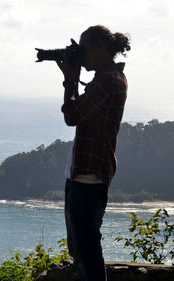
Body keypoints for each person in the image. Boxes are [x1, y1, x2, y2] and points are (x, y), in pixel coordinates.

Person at [56, 25, 130, 281]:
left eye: (84, 49)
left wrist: (70, 78)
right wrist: (74, 76)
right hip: (83, 176)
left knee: (87, 257)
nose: (81, 54)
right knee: (81, 252)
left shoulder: (107, 80)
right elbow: (78, 113)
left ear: (100, 46)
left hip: (88, 180)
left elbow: (72, 115)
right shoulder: (109, 78)